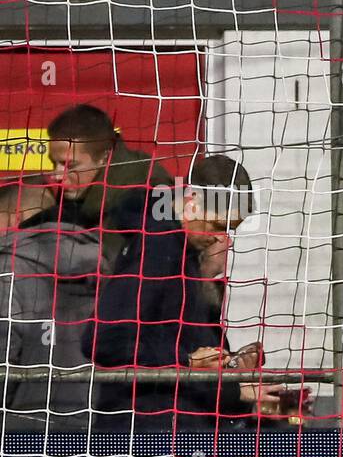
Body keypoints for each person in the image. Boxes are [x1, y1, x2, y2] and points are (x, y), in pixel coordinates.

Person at [83, 154, 297, 430]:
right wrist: (186, 360)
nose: (223, 239)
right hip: (146, 439)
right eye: (218, 226)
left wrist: (232, 386)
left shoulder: (183, 255)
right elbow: (102, 339)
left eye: (231, 230)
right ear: (191, 202)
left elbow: (176, 349)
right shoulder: (159, 249)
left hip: (176, 431)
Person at [0, 179, 104, 429]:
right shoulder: (107, 261)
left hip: (26, 431)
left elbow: (4, 352)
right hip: (99, 422)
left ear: (14, 216)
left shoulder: (8, 266)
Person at [45, 104, 173, 262]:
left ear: (104, 158)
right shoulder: (77, 190)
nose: (57, 175)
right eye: (54, 163)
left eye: (70, 166)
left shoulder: (148, 189)